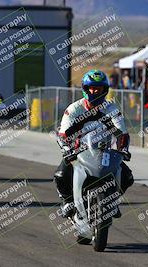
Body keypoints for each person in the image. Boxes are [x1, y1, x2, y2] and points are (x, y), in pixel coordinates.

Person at [54, 69, 134, 218]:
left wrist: (123, 150)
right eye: (92, 88)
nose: (95, 91)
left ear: (105, 90)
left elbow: (122, 133)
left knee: (127, 176)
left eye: (99, 88)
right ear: (85, 89)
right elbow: (63, 133)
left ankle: (113, 201)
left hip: (105, 153)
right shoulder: (74, 109)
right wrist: (66, 149)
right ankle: (67, 201)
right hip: (79, 152)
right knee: (60, 174)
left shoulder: (112, 109)